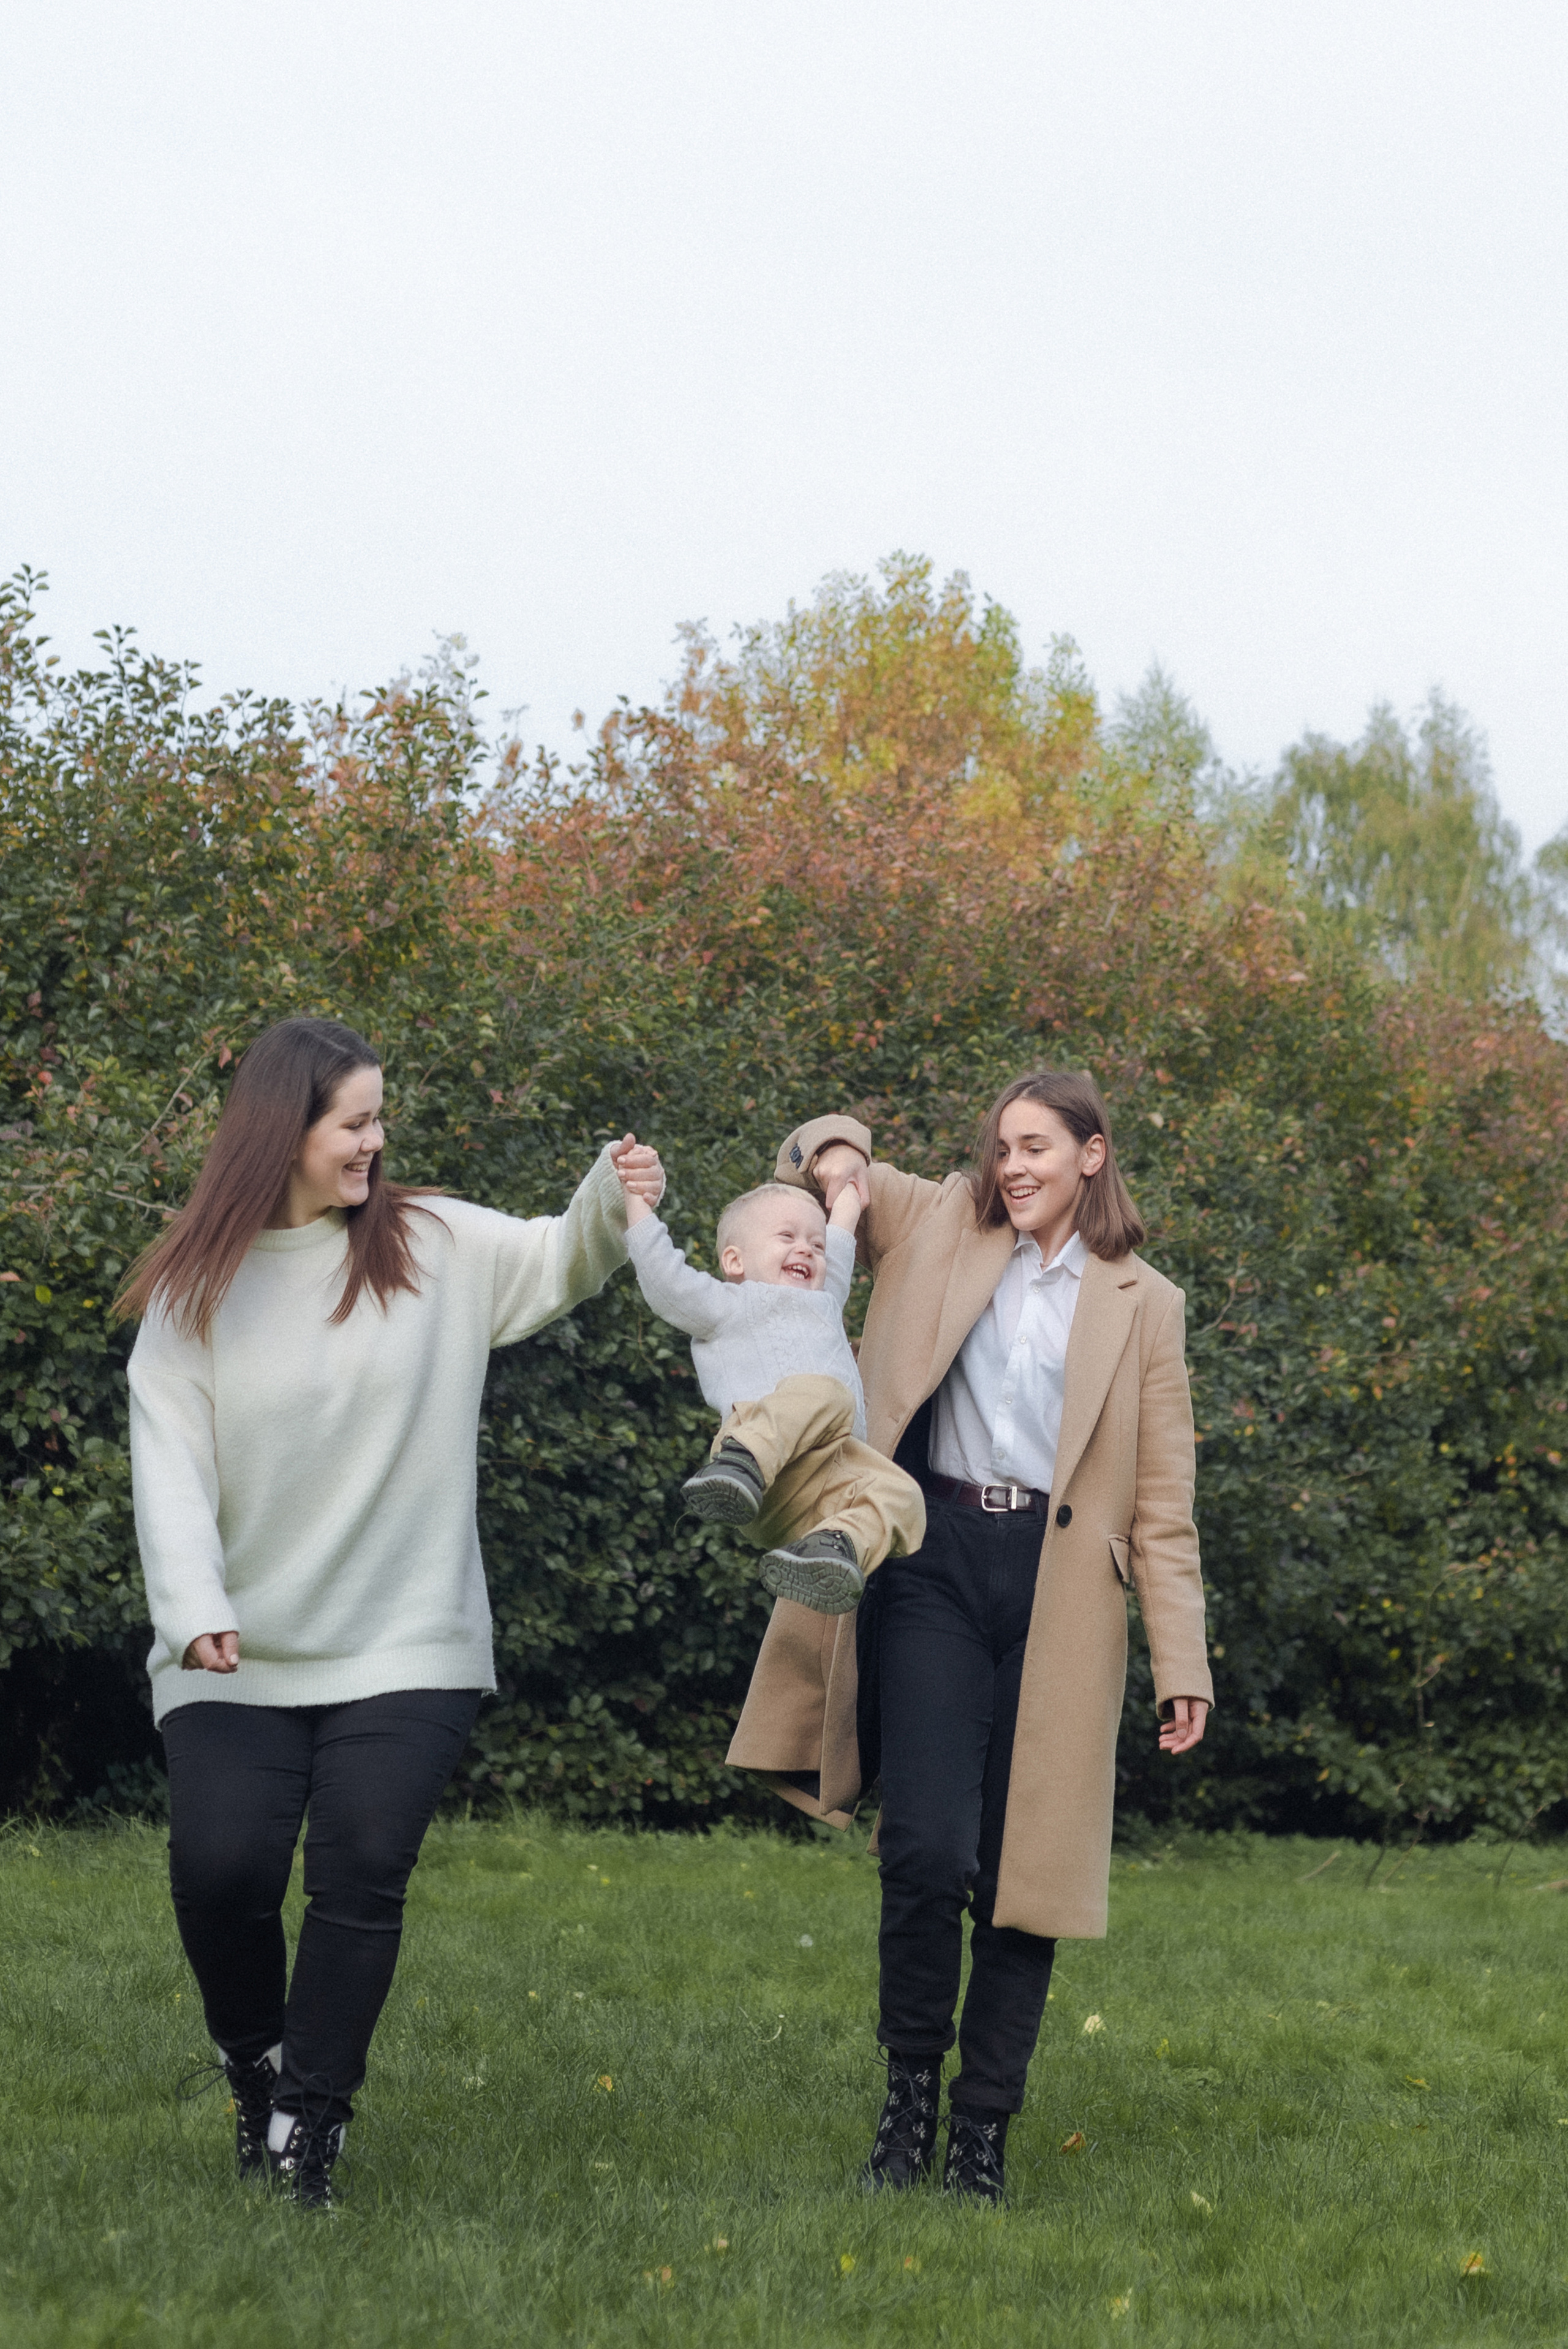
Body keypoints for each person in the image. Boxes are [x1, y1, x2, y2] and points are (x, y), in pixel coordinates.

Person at [118, 1016, 661, 2208]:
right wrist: (194, 1605)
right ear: (285, 1132)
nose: (376, 1140)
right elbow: (166, 1462)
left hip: (407, 1637)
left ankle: (311, 2121)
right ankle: (254, 2068)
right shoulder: (194, 1291)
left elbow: (562, 1255)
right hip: (234, 1644)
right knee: (221, 1872)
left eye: (379, 1116)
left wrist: (607, 1192)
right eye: (354, 1121)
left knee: (361, 1866)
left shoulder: (431, 1244)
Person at [725, 1072, 1213, 2203]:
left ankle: (982, 2130)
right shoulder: (943, 1213)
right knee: (927, 1848)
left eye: (1037, 1145)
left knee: (1020, 1870)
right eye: (1001, 1146)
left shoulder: (1147, 1300)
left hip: (1060, 1588)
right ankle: (907, 2103)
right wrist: (841, 1172)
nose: (1013, 1165)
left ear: (1093, 1154)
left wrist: (1183, 1660)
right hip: (933, 1550)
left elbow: (1164, 1500)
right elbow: (813, 1135)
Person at [617, 1166, 925, 1613]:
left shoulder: (823, 1300)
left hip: (820, 1490)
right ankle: (739, 1466)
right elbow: (664, 1278)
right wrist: (635, 1200)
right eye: (787, 1237)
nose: (806, 1249)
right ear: (735, 1262)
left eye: (814, 1245)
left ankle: (831, 1551)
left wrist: (849, 1198)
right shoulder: (725, 1304)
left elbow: (838, 1243)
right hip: (757, 1472)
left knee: (905, 1496)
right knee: (829, 1393)